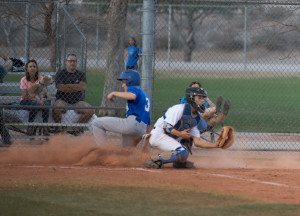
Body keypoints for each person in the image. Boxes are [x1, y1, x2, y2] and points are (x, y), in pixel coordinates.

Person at [144, 87, 220, 169]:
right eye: (199, 98)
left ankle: (180, 162)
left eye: (203, 98)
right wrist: (180, 134)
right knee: (182, 151)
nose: (202, 101)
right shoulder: (179, 109)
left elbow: (197, 142)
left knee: (189, 138)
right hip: (158, 135)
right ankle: (155, 160)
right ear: (191, 98)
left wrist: (215, 145)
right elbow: (166, 127)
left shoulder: (196, 117)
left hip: (170, 137)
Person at [92, 69, 151, 147]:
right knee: (126, 153)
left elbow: (132, 96)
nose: (122, 85)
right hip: (141, 130)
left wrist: (114, 93)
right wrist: (146, 145)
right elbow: (148, 124)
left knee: (96, 123)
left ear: (130, 81)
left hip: (132, 124)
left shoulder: (133, 88)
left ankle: (103, 151)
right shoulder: (145, 96)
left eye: (123, 82)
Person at [53, 54, 95, 135]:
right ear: (66, 62)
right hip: (62, 100)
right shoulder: (60, 73)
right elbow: (60, 87)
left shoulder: (81, 74)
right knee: (56, 108)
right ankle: (59, 129)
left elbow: (83, 87)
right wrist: (76, 86)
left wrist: (67, 86)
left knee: (90, 110)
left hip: (77, 102)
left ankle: (76, 127)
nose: (72, 63)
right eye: (70, 61)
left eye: (74, 61)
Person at [20, 59, 51, 136]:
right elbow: (25, 96)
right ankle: (30, 126)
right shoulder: (23, 79)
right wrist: (37, 100)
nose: (32, 68)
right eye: (30, 66)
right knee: (35, 103)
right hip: (26, 101)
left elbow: (44, 94)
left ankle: (45, 127)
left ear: (37, 69)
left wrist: (42, 99)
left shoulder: (41, 78)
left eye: (34, 66)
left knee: (46, 104)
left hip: (39, 100)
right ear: (27, 69)